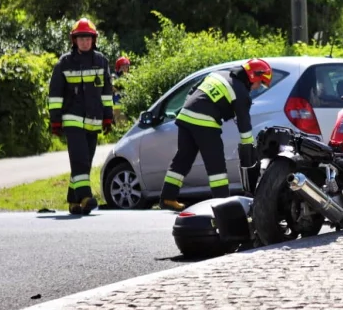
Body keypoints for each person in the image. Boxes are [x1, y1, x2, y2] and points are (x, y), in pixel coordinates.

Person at [158, 58, 272, 211]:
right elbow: (244, 124)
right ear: (253, 76)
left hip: (185, 116)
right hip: (205, 122)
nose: (258, 87)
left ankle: (167, 198)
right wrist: (249, 147)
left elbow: (193, 90)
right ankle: (223, 205)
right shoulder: (241, 93)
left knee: (183, 158)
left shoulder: (219, 74)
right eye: (260, 83)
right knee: (216, 165)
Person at [48, 18, 113, 215]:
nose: (84, 42)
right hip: (72, 119)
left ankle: (73, 201)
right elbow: (55, 93)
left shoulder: (101, 62)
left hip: (93, 121)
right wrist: (56, 120)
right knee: (80, 160)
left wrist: (108, 117)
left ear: (94, 40)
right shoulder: (64, 63)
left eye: (87, 38)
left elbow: (107, 92)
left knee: (85, 162)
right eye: (80, 38)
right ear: (74, 41)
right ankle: (86, 196)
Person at [112, 56, 130, 123]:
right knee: (120, 121)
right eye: (125, 66)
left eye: (128, 66)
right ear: (120, 67)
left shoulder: (128, 77)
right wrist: (120, 92)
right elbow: (112, 87)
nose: (127, 68)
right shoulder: (114, 76)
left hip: (127, 102)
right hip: (117, 102)